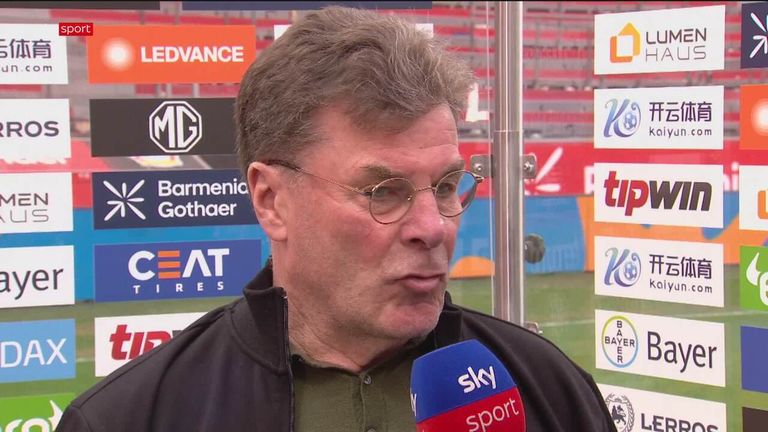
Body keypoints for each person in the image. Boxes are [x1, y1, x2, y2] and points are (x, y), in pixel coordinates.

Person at [57, 6, 616, 432]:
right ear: (271, 200)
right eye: (384, 192)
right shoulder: (132, 417)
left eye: (446, 186)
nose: (433, 227)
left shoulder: (548, 388)